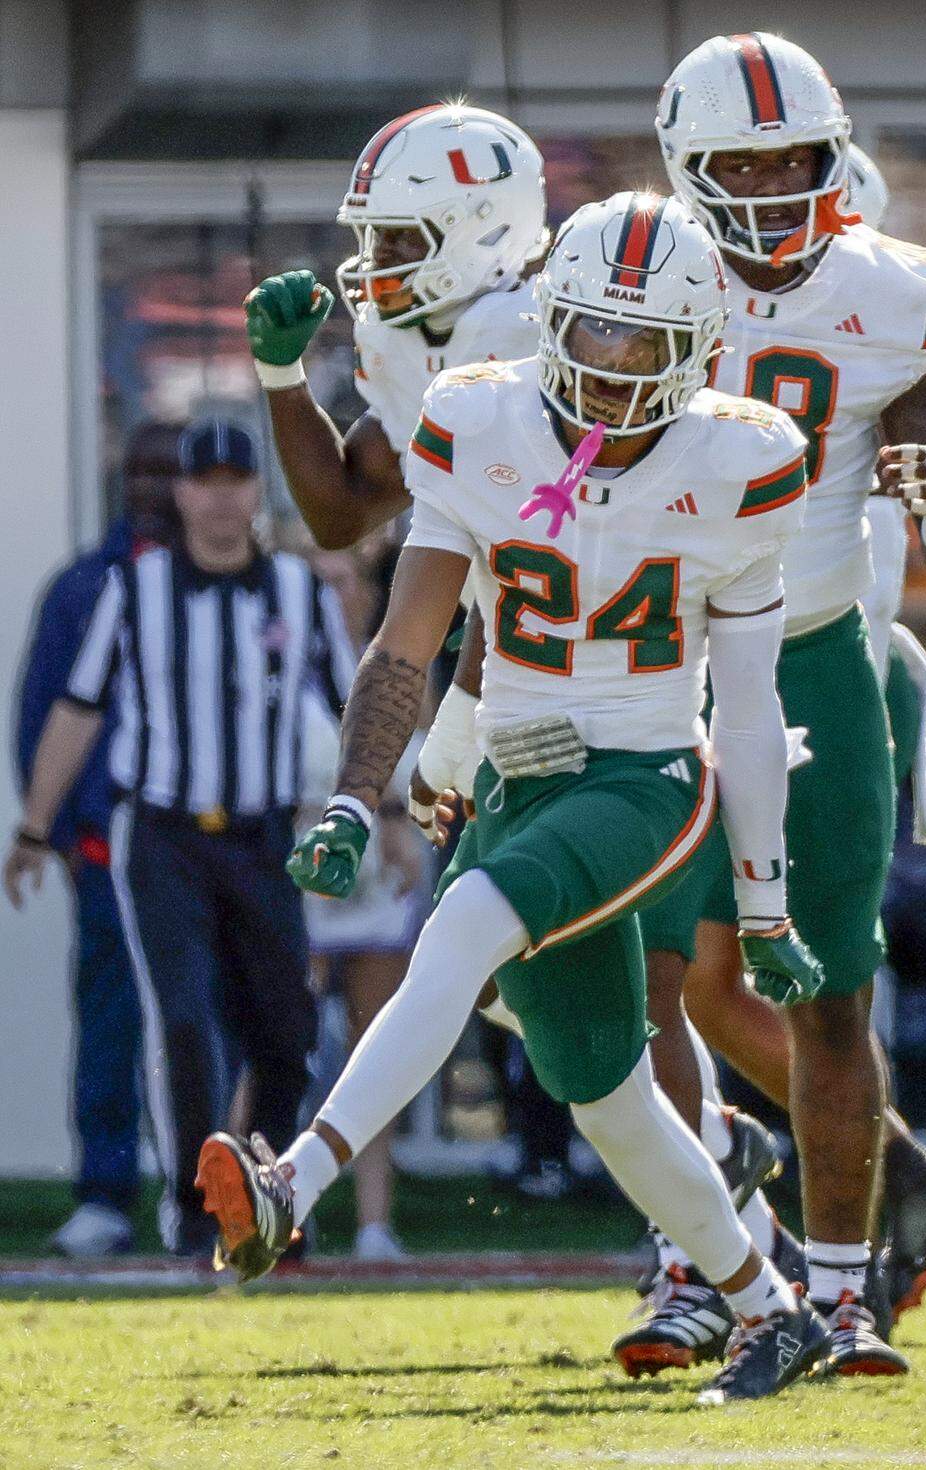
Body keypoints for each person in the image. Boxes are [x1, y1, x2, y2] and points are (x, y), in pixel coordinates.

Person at [198, 192, 836, 1404]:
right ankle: (773, 1308)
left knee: (469, 922)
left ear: (698, 348)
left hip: (644, 776)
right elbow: (408, 639)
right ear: (550, 323)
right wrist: (351, 799)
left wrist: (763, 903)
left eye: (641, 343)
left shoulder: (745, 462)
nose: (609, 366)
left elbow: (746, 710)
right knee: (611, 1100)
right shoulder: (477, 424)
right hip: (512, 770)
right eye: (591, 332)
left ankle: (295, 1182)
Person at [619, 31, 926, 1375]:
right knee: (663, 981)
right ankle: (698, 1267)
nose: (776, 185)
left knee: (827, 984)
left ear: (836, 158)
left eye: (797, 159)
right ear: (689, 166)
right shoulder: (634, 267)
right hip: (660, 656)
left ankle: (840, 1295)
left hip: (821, 650)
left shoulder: (902, 288)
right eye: (745, 162)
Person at [4, 419, 357, 1256]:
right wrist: (32, 826)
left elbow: (356, 703)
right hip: (161, 837)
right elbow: (76, 709)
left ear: (254, 492)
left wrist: (383, 810)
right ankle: (197, 1213)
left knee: (286, 1033)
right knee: (186, 1021)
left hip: (263, 835)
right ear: (184, 493)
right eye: (209, 481)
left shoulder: (300, 593)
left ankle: (269, 1199)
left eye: (239, 480)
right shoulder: (135, 589)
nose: (224, 497)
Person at [11, 421, 182, 1256]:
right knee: (113, 1015)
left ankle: (220, 1193)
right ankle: (107, 1193)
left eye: (171, 470)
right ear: (123, 476)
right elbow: (45, 717)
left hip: (208, 842)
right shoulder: (83, 587)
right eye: (143, 469)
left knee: (224, 1017)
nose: (155, 485)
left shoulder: (233, 584)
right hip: (109, 846)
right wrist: (54, 830)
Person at [242, 102, 547, 552]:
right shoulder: (408, 346)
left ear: (486, 230)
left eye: (401, 234)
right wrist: (282, 374)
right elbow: (341, 517)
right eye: (373, 235)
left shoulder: (548, 334)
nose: (379, 257)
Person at [300, 545, 432, 1261]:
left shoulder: (401, 667)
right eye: (320, 581)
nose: (334, 594)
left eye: (345, 581)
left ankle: (374, 1225)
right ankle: (272, 1209)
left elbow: (425, 765)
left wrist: (394, 821)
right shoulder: (277, 667)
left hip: (383, 888)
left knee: (371, 1054)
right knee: (278, 1048)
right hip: (302, 886)